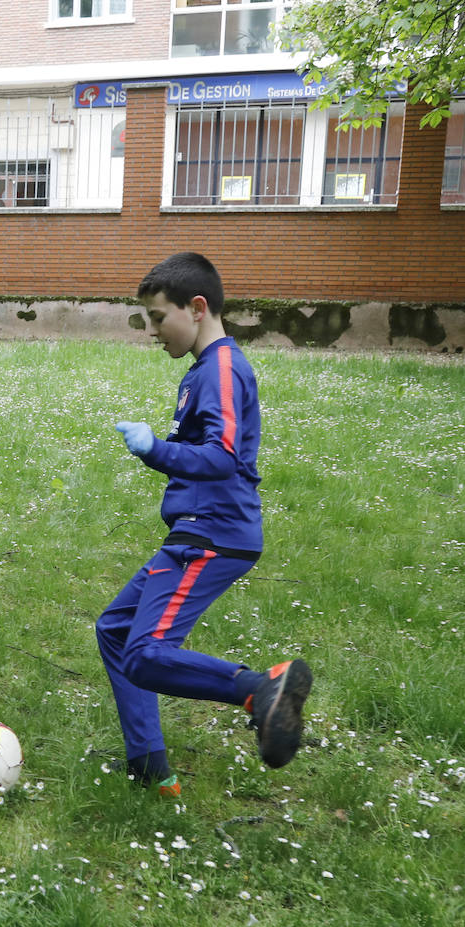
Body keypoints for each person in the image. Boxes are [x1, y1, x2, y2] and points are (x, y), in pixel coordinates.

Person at [98, 251, 312, 798]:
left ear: (196, 308)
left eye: (156, 316)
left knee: (145, 653)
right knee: (116, 631)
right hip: (196, 530)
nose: (150, 331)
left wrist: (155, 450)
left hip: (213, 534)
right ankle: (147, 762)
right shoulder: (204, 369)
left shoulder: (220, 366)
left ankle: (260, 690)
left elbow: (222, 456)